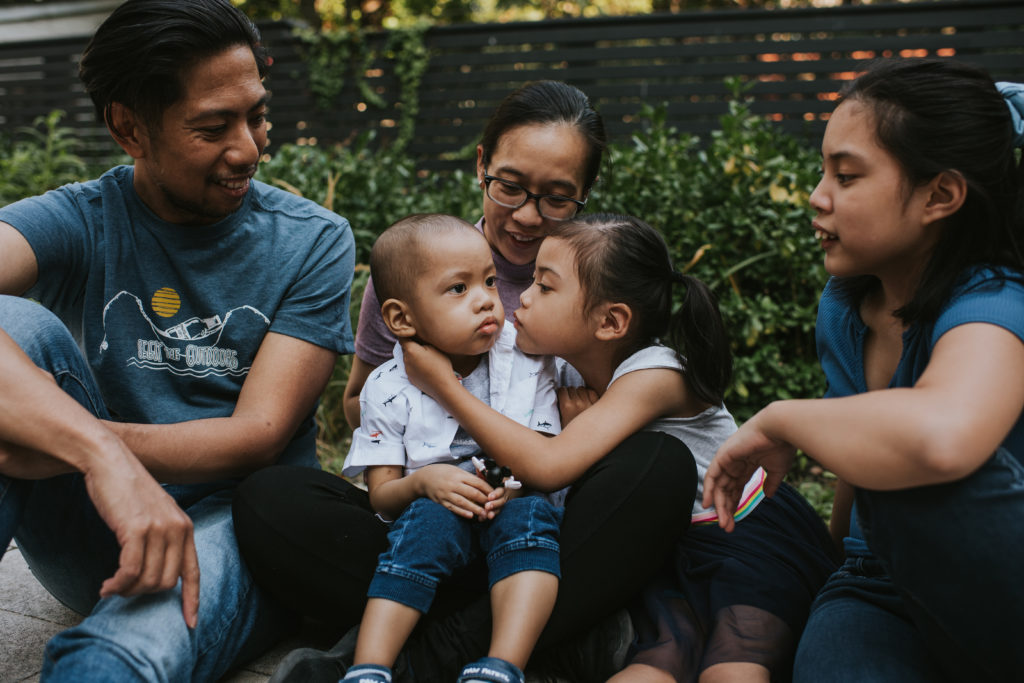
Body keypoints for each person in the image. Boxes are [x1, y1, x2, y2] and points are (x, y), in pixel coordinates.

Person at [235, 81, 696, 682]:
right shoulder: (413, 268)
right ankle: (559, 631)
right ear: (481, 166)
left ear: (585, 196)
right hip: (436, 512)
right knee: (269, 500)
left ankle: (414, 658)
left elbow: (607, 425)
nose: (528, 216)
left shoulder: (596, 275)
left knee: (657, 467)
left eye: (558, 199)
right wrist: (425, 436)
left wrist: (567, 429)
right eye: (510, 187)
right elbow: (362, 408)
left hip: (545, 517)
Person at [0, 0, 355, 679]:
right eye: (214, 126)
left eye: (256, 114)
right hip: (99, 526)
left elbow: (259, 434)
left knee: (118, 656)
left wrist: (87, 446)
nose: (249, 148)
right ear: (130, 128)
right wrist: (96, 454)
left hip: (241, 529)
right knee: (19, 326)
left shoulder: (312, 239)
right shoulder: (82, 216)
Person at [401, 214, 836, 683]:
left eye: (545, 287)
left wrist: (446, 387)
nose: (522, 297)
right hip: (662, 551)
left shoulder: (658, 373)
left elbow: (548, 466)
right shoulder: (569, 373)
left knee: (733, 662)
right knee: (662, 657)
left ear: (609, 322)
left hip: (739, 535)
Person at [703, 58, 1024, 683]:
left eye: (846, 176)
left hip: (1000, 582)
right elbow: (859, 465)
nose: (817, 197)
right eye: (823, 171)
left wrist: (786, 418)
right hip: (882, 585)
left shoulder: (996, 301)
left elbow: (939, 438)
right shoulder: (848, 306)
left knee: (913, 471)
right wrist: (832, 571)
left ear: (941, 195)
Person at [340, 214, 564, 683]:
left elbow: (545, 453)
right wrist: (422, 482)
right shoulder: (385, 386)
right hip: (435, 529)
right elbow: (380, 496)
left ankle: (503, 665)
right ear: (401, 318)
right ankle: (369, 668)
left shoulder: (526, 361)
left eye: (488, 280)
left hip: (511, 511)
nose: (487, 299)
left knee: (530, 517)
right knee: (424, 523)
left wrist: (515, 489)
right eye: (458, 289)